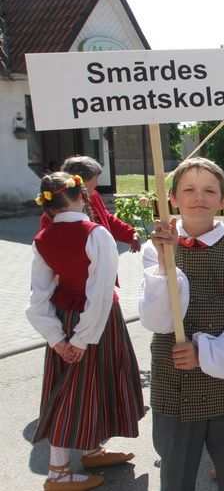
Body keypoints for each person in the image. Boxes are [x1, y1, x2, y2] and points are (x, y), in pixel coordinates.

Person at [140, 157, 224, 491]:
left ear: (222, 200)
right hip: (174, 385)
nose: (198, 197)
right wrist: (164, 265)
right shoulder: (153, 249)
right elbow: (157, 320)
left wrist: (205, 351)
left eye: (208, 190)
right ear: (172, 197)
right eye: (188, 189)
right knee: (176, 476)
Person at [27, 172, 144, 491]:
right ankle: (58, 471)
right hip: (96, 322)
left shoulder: (43, 239)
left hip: (64, 319)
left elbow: (37, 299)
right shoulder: (96, 234)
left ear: (48, 207)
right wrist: (80, 340)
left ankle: (91, 448)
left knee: (84, 386)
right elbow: (101, 293)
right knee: (74, 391)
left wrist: (58, 339)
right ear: (82, 197)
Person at [41, 156, 142, 253]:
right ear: (79, 183)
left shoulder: (93, 195)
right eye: (95, 180)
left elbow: (106, 218)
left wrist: (130, 234)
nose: (97, 184)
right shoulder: (52, 215)